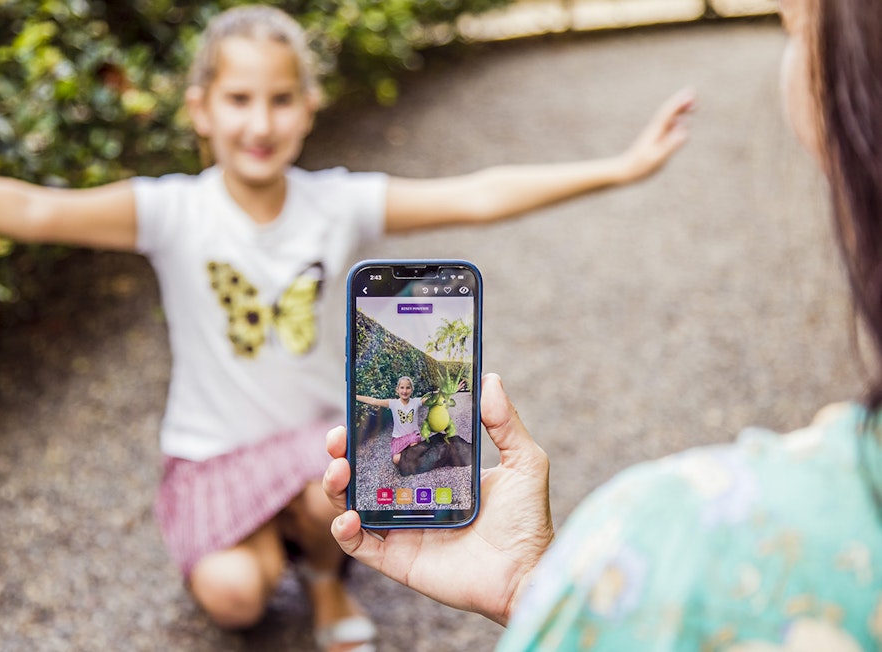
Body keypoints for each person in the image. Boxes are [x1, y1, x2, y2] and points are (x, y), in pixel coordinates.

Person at [0, 5, 694, 651]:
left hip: (307, 450)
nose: (260, 122)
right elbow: (33, 207)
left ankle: (325, 581)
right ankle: (279, 544)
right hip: (211, 454)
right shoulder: (171, 212)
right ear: (201, 109)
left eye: (281, 99)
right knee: (235, 597)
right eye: (239, 99)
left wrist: (620, 168)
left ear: (309, 106)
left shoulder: (336, 202)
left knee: (330, 475)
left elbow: (474, 193)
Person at [323, 0, 882, 649]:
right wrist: (530, 588)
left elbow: (479, 195)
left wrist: (555, 599)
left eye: (792, 24)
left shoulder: (666, 547)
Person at [356, 376, 426, 465]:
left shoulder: (416, 401)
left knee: (413, 445)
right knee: (396, 460)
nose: (404, 391)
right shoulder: (393, 403)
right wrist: (355, 396)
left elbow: (431, 399)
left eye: (408, 388)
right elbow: (374, 401)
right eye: (402, 388)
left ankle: (411, 456)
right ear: (397, 390)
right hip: (398, 439)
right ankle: (411, 457)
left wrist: (441, 392)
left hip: (413, 437)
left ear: (412, 390)